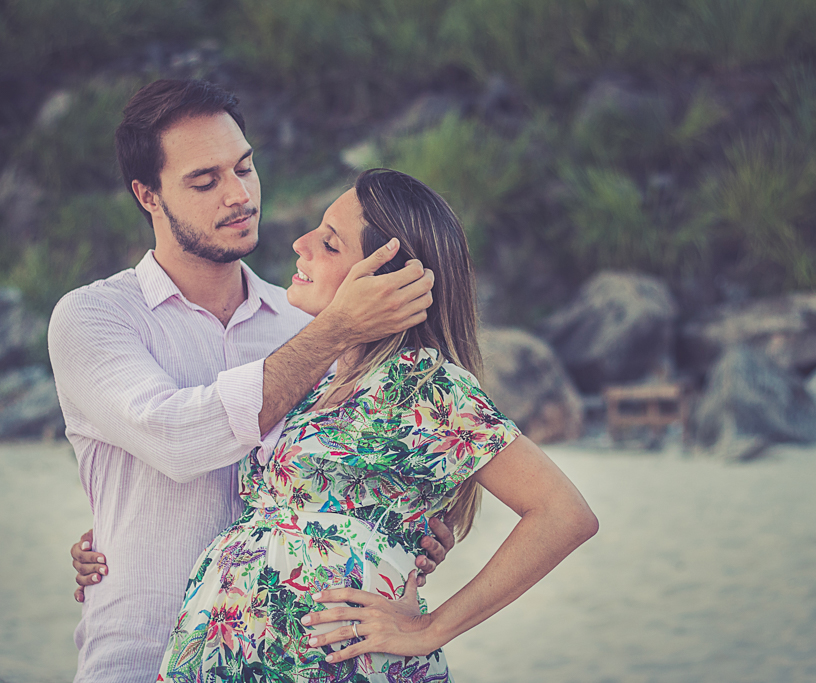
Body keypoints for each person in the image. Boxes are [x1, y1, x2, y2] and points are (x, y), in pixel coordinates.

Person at [48, 79, 453, 683]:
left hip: (285, 662)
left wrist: (405, 527)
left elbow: (353, 470)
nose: (239, 195)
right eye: (205, 181)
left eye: (245, 167)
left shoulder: (306, 318)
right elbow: (173, 437)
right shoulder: (95, 317)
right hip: (137, 658)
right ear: (147, 195)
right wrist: (335, 331)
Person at [156, 169, 598, 682]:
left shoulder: (422, 382)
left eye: (329, 242)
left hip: (342, 664)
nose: (300, 245)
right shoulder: (312, 379)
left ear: (389, 278)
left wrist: (431, 628)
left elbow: (564, 514)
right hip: (231, 652)